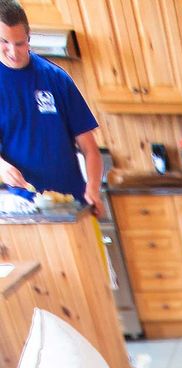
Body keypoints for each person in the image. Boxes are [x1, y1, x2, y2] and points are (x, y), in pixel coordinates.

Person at [0, 0, 103, 216]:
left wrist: (93, 188)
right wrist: (3, 167)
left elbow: (90, 148)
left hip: (72, 202)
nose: (12, 51)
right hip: (23, 206)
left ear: (29, 39)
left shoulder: (55, 78)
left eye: (19, 43)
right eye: (4, 42)